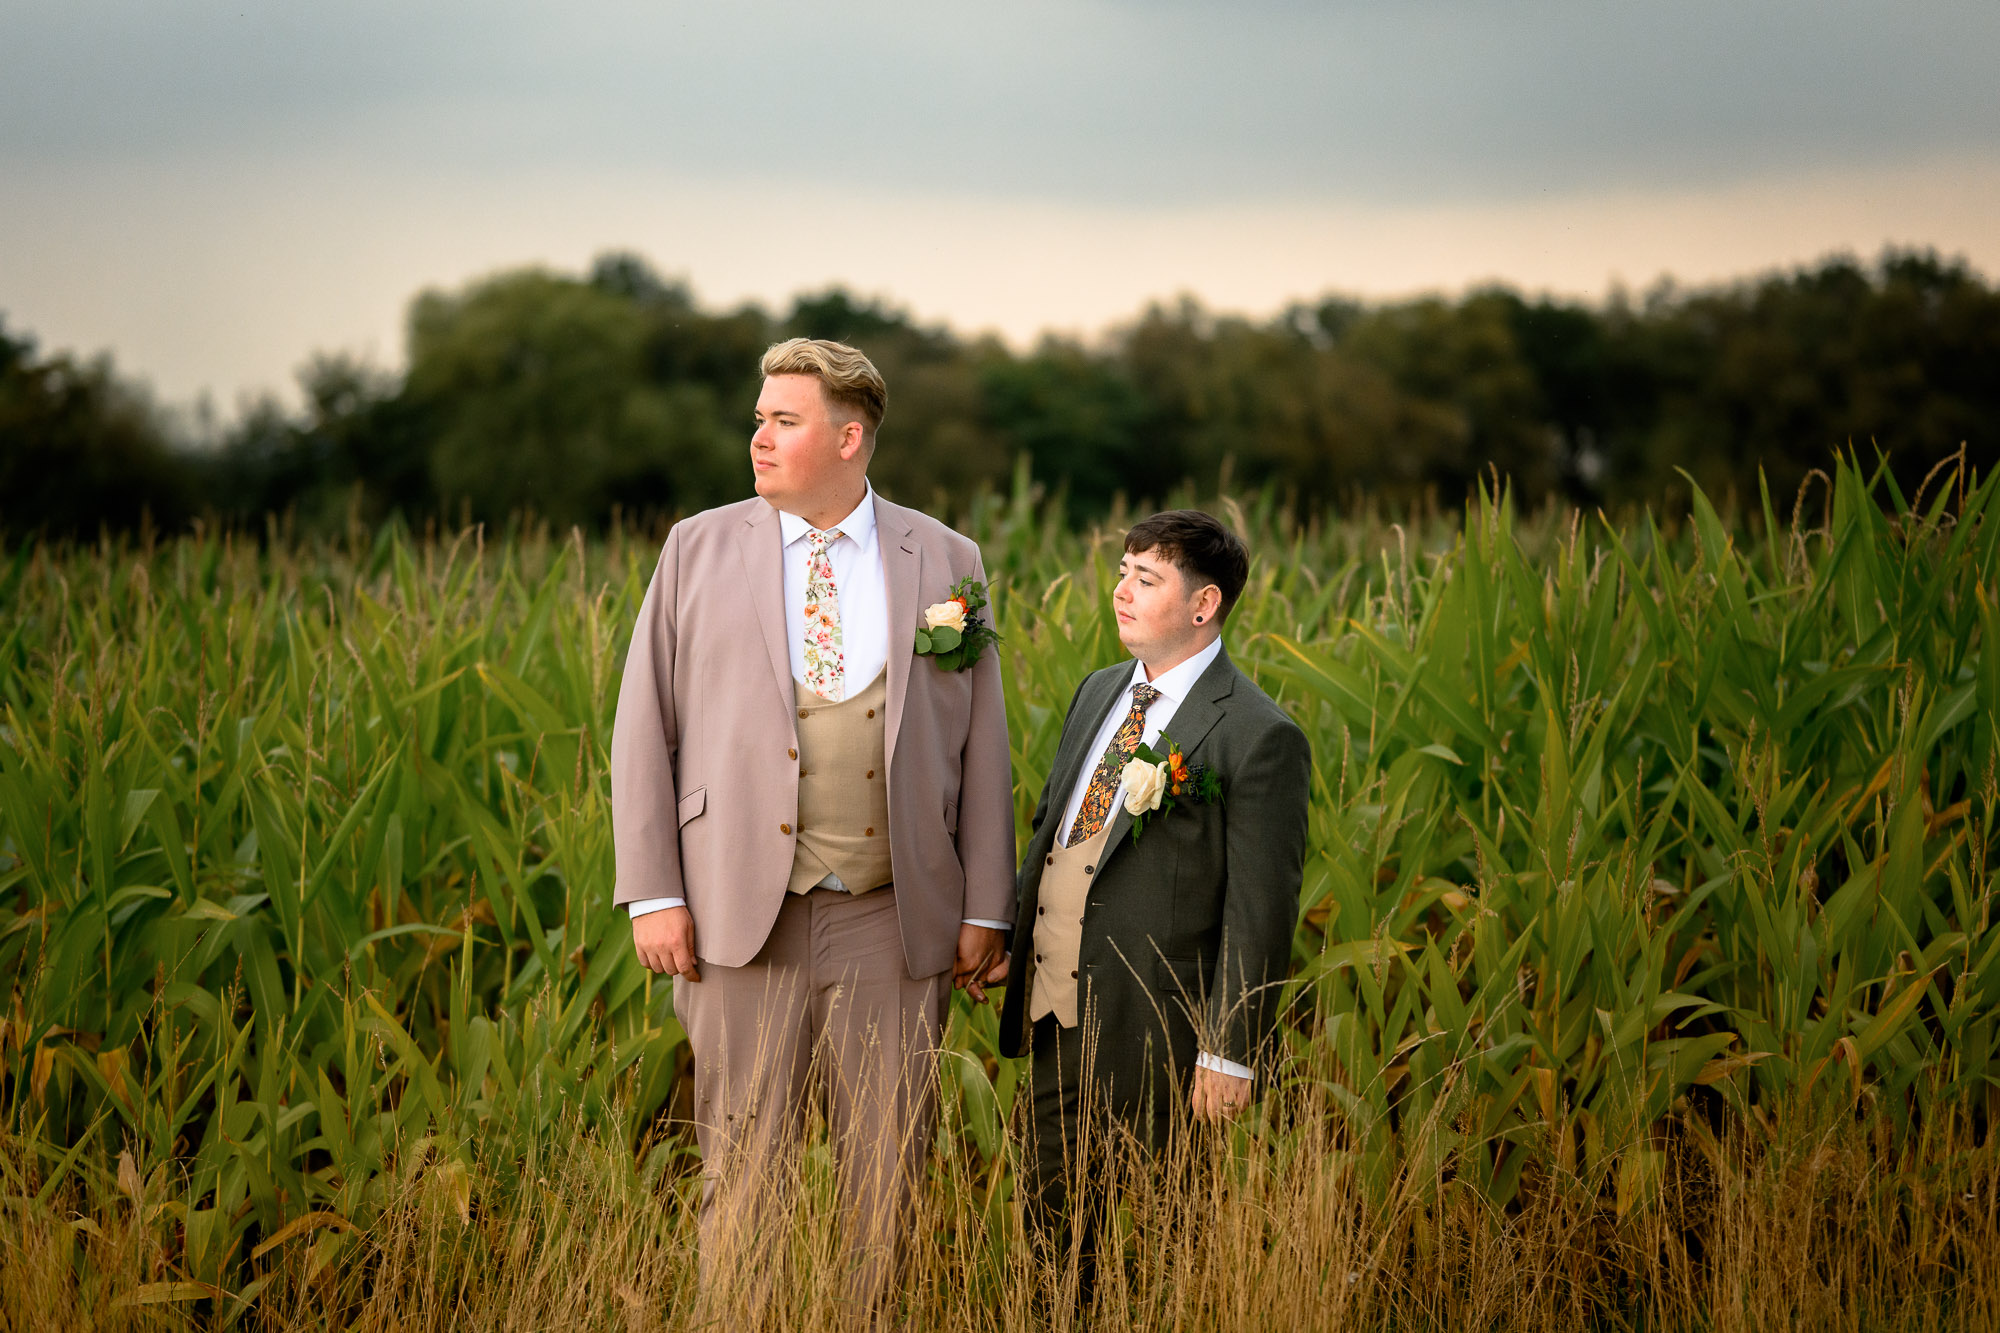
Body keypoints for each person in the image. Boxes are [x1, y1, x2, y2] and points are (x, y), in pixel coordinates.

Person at [609, 338, 1015, 1307]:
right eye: (758, 416)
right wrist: (654, 893)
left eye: (781, 421)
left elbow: (980, 743)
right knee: (742, 1183)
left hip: (894, 915)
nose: (757, 436)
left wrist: (986, 909)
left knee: (889, 1190)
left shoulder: (945, 558)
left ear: (848, 437)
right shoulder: (696, 547)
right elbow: (642, 727)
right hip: (733, 917)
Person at [993, 509, 1311, 1291]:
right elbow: (1054, 829)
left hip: (1162, 1034)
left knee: (1170, 1243)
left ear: (1203, 605)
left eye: (1146, 577)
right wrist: (1013, 937)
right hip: (1053, 1008)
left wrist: (1230, 1047)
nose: (1120, 590)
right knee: (1050, 1239)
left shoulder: (1257, 733)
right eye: (1123, 571)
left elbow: (1260, 905)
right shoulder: (1099, 690)